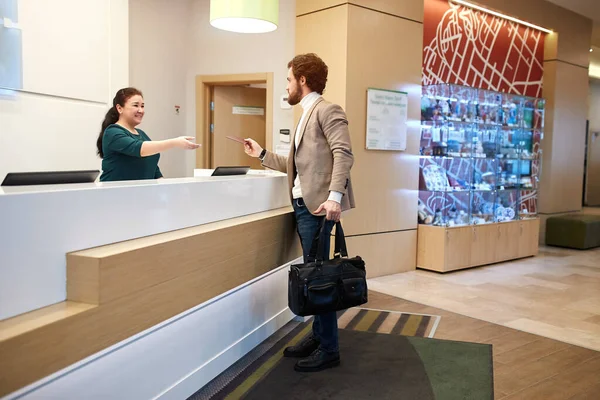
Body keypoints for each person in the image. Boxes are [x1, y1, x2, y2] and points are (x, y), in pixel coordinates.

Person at [244, 53, 355, 372]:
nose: (287, 86)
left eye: (290, 79)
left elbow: (344, 154)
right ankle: (319, 336)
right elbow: (298, 168)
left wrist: (335, 197)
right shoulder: (305, 115)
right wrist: (262, 155)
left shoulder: (327, 110)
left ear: (303, 81)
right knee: (313, 273)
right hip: (304, 207)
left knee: (319, 279)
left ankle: (329, 348)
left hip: (319, 207)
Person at [97, 87, 200, 182]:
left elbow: (153, 168)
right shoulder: (113, 132)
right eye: (135, 105)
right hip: (115, 196)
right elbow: (139, 149)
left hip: (142, 195)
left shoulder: (142, 134)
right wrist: (174, 142)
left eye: (142, 106)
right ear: (120, 108)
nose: (141, 110)